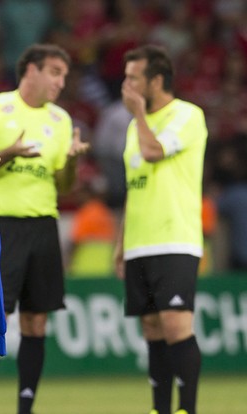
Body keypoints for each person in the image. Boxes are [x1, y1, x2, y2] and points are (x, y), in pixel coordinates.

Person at [0, 43, 89, 414]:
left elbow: (64, 186)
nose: (61, 83)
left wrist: (70, 164)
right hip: (0, 225)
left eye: (64, 75)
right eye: (55, 72)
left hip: (44, 225)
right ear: (30, 70)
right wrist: (10, 152)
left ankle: (25, 406)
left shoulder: (61, 120)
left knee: (36, 318)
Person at [114, 44, 207, 414]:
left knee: (175, 324)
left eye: (133, 77)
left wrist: (138, 114)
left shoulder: (186, 115)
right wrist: (121, 243)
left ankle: (187, 408)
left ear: (156, 80)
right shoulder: (134, 128)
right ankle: (161, 409)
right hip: (139, 241)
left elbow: (153, 153)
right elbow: (133, 187)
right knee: (151, 328)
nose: (126, 85)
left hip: (175, 237)